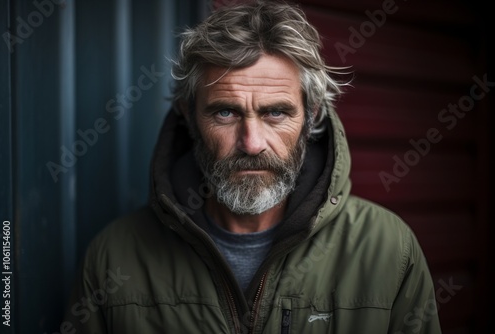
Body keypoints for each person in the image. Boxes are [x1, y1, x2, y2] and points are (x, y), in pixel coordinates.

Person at [63, 0, 442, 333]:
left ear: (310, 118)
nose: (252, 143)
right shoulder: (114, 258)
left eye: (276, 112)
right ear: (190, 118)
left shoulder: (389, 250)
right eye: (225, 112)